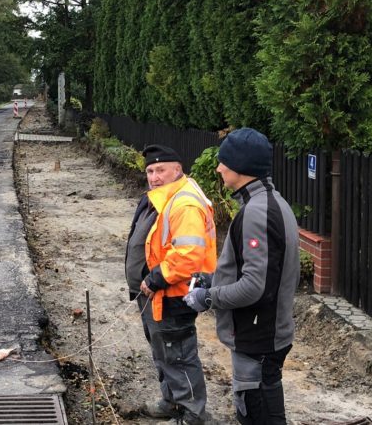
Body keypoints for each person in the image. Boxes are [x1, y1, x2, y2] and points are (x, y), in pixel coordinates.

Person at [184, 128, 299, 424]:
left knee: (257, 410)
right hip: (266, 334)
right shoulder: (270, 203)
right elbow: (261, 271)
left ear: (242, 167)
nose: (219, 168)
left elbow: (254, 287)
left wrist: (207, 297)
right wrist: (214, 280)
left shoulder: (257, 212)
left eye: (225, 162)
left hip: (258, 337)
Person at [125, 144, 217, 424]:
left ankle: (193, 415)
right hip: (156, 295)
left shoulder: (184, 204)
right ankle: (172, 402)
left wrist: (154, 278)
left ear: (177, 169)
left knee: (178, 357)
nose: (154, 176)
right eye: (150, 171)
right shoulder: (165, 197)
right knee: (164, 353)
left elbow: (188, 255)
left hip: (172, 295)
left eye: (160, 170)